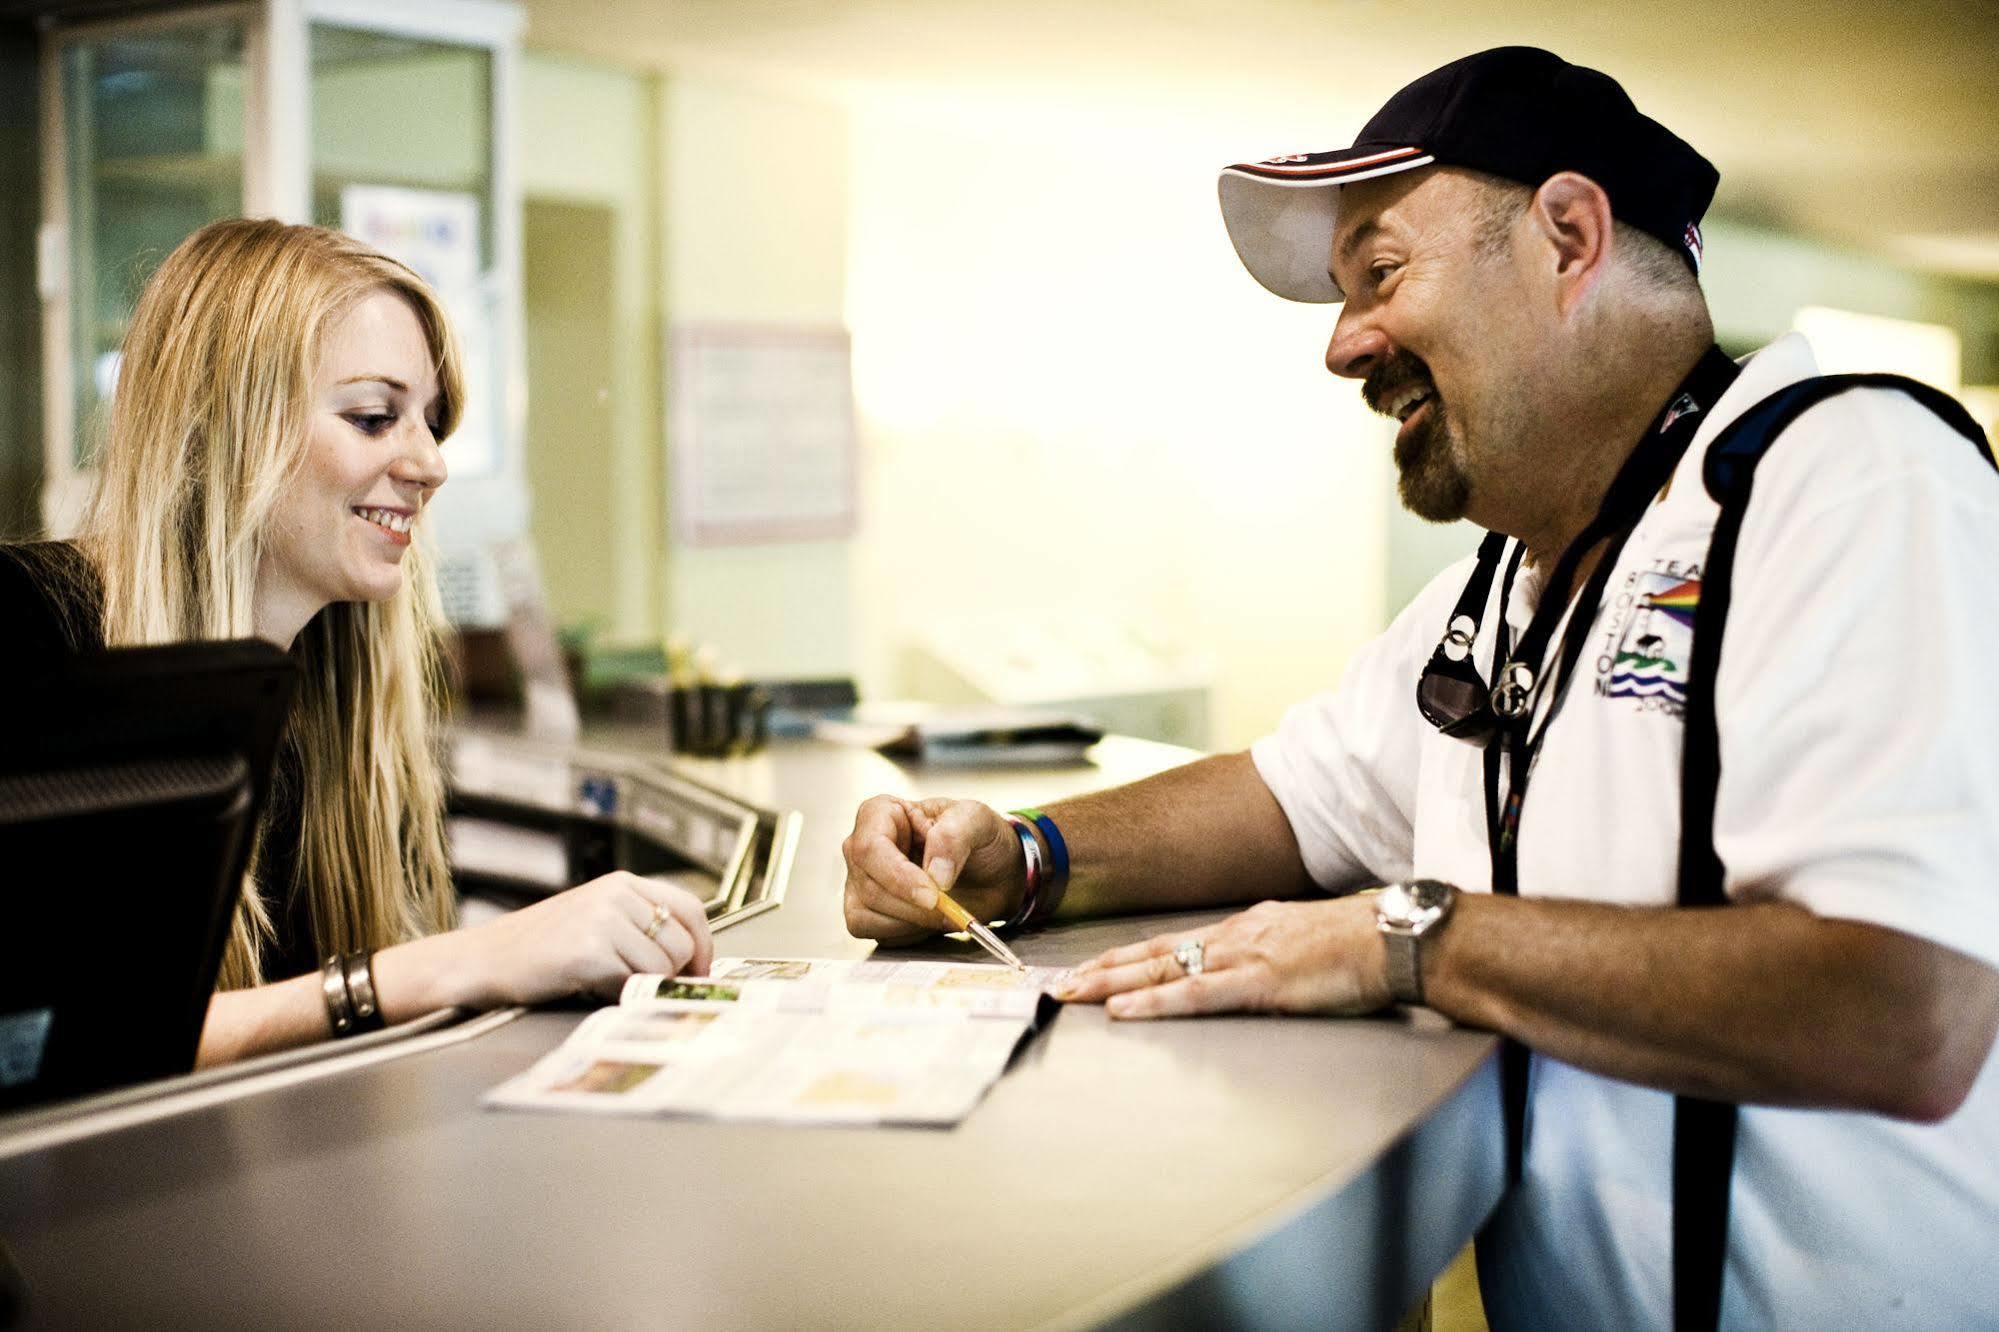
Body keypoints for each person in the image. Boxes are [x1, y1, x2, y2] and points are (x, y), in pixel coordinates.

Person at [840, 47, 1999, 1328]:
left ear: (1567, 237)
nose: (1343, 348)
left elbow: (1904, 1009)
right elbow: (1295, 799)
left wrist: (1412, 939)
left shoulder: (1851, 476)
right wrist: (1026, 855)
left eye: (1379, 274)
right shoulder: (1498, 586)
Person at [1, 218, 712, 1066]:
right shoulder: (23, 631)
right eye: (375, 417)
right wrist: (441, 967)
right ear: (218, 429)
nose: (429, 464)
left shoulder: (330, 691)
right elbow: (37, 1046)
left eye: (430, 422)